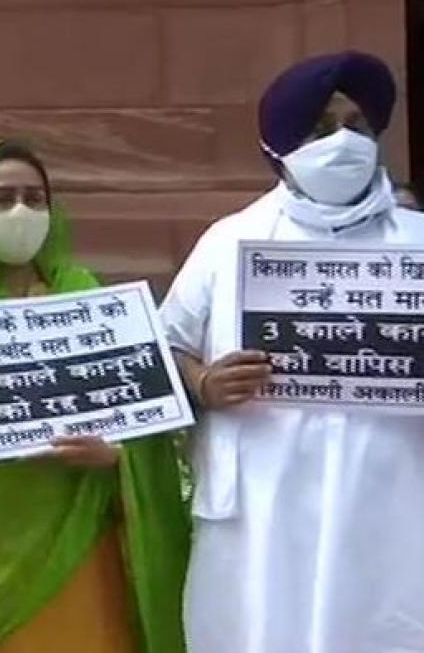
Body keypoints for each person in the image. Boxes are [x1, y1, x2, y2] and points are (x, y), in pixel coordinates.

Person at [161, 50, 424, 653]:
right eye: (321, 128)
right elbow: (163, 348)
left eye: (356, 125)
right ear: (279, 147)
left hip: (391, 500)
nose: (343, 142)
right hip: (263, 506)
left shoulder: (417, 244)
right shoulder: (228, 242)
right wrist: (203, 382)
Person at [0, 139, 189, 653]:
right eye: (2, 198)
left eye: (35, 198)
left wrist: (117, 458)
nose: (20, 212)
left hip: (81, 541)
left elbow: (139, 413)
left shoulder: (85, 293)